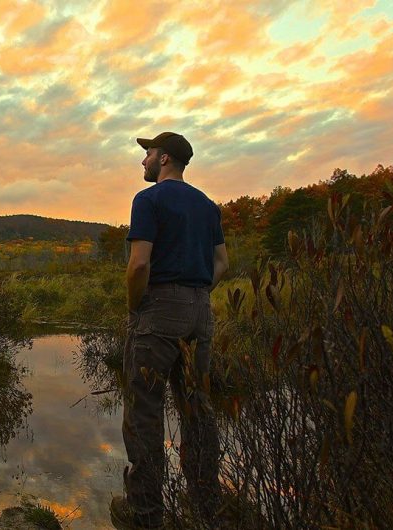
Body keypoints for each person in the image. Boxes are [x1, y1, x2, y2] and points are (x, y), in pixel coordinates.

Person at [110, 132, 229, 529]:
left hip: (158, 311)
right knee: (197, 409)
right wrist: (195, 294)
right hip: (201, 311)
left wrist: (135, 307)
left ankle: (146, 515)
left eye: (147, 154)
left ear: (163, 159)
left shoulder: (148, 200)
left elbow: (139, 264)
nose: (142, 161)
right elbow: (222, 263)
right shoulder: (208, 206)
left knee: (144, 413)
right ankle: (206, 506)